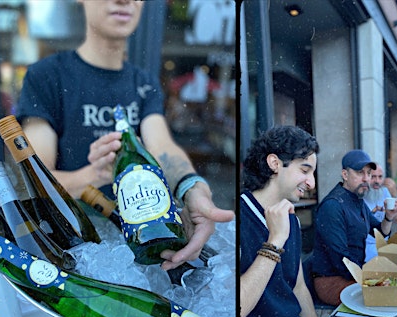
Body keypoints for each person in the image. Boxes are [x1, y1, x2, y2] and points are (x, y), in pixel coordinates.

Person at [15, 0, 234, 270]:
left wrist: (191, 188)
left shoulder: (144, 82)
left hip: (144, 244)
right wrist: (95, 174)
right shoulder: (47, 76)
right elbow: (31, 179)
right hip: (73, 249)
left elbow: (162, 146)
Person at [239, 126, 320, 317]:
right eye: (305, 170)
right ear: (275, 163)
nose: (311, 182)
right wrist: (275, 240)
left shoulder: (290, 218)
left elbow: (298, 286)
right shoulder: (239, 217)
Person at [310, 150, 397, 306]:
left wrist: (389, 216)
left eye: (368, 173)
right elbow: (342, 260)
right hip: (331, 281)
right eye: (360, 173)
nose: (366, 178)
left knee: (396, 283)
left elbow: (379, 231)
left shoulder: (357, 199)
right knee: (389, 296)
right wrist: (371, 279)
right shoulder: (332, 206)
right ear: (345, 174)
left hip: (352, 273)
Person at [362, 165, 397, 262]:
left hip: (384, 244)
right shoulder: (360, 194)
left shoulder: (385, 192)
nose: (377, 181)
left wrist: (395, 194)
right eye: (373, 176)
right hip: (365, 247)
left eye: (380, 177)